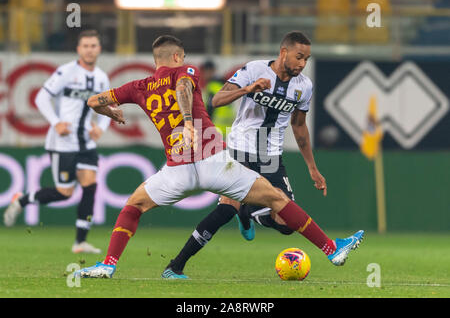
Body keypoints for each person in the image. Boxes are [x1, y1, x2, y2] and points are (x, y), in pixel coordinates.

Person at [74, 34, 363, 279]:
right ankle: (332, 250)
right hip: (213, 160)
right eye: (183, 56)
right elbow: (183, 87)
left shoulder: (137, 87)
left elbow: (92, 101)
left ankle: (107, 265)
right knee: (278, 200)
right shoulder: (185, 72)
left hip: (177, 171)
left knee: (134, 206)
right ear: (177, 56)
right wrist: (188, 121)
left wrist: (109, 112)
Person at [163, 31, 364, 278]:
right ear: (283, 52)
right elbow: (217, 100)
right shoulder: (254, 69)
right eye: (299, 57)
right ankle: (176, 265)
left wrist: (312, 167)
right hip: (241, 149)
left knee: (287, 223)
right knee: (226, 209)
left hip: (271, 156)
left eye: (307, 59)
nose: (302, 64)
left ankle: (247, 213)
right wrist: (248, 88)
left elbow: (299, 126)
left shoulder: (304, 87)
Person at [3, 29, 111, 254]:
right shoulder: (66, 72)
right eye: (86, 46)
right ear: (78, 49)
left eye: (94, 46)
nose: (90, 50)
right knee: (65, 193)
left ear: (99, 49)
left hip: (86, 143)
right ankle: (22, 200)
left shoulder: (101, 77)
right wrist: (55, 122)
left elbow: (108, 107)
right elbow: (41, 97)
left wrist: (100, 127)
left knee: (90, 186)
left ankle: (80, 242)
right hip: (63, 143)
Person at [200, 60, 235, 136]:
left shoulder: (212, 86)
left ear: (211, 71)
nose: (204, 75)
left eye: (205, 71)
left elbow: (210, 107)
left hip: (216, 127)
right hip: (228, 127)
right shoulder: (223, 84)